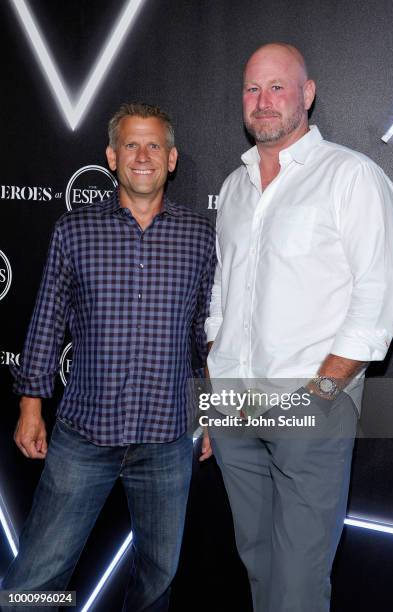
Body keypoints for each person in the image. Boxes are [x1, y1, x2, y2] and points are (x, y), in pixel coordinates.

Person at [201, 43, 393, 612]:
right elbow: (222, 294)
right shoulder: (235, 188)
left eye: (277, 87)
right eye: (251, 89)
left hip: (308, 403)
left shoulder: (351, 176)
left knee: (297, 584)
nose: (263, 102)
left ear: (307, 94)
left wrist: (318, 395)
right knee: (259, 563)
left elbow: (379, 295)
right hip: (234, 409)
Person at [2, 103, 216, 611]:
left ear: (172, 159)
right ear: (112, 156)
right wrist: (30, 405)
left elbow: (206, 334)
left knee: (157, 581)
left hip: (167, 439)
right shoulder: (74, 231)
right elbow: (46, 320)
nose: (142, 155)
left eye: (154, 146)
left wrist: (209, 412)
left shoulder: (201, 237)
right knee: (36, 577)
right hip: (84, 435)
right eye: (131, 145)